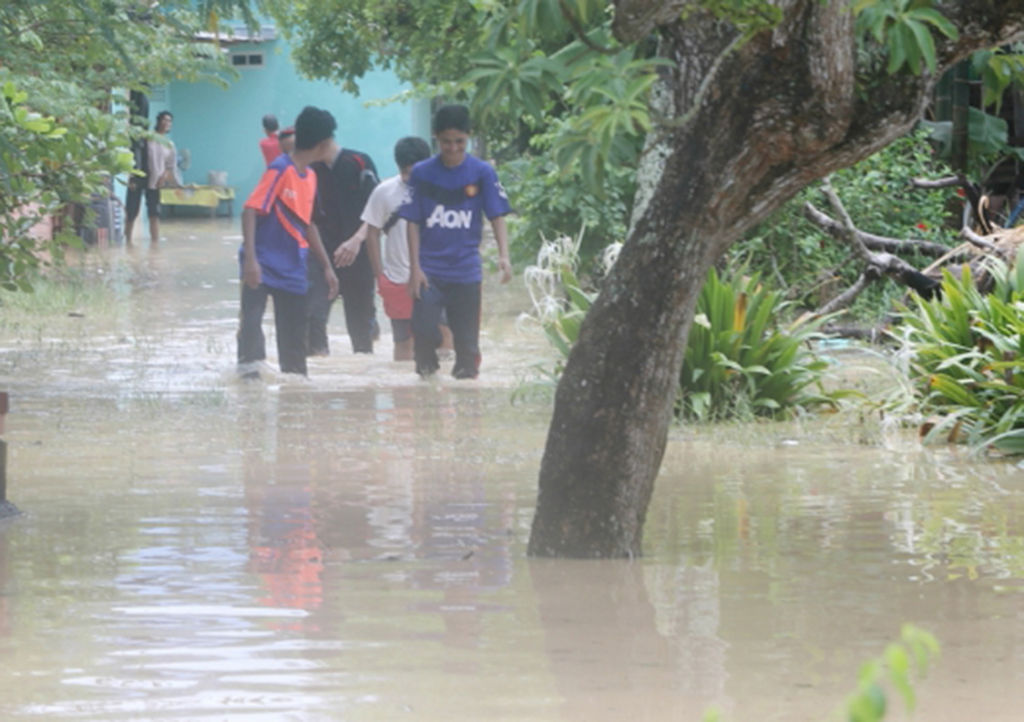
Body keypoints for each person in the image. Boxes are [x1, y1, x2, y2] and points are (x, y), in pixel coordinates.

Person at [400, 104, 512, 379]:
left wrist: (504, 256)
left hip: (466, 270)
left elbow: (497, 216)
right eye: (446, 142)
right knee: (424, 333)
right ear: (436, 138)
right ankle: (427, 399)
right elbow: (412, 222)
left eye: (459, 142)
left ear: (469, 138)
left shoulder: (483, 173)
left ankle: (468, 410)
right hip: (429, 270)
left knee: (467, 350)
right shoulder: (422, 173)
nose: (453, 148)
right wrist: (414, 268)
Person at [237, 106, 340, 378]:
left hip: (294, 268)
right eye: (333, 141)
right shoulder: (280, 169)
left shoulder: (311, 177)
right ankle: (248, 388)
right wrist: (251, 261)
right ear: (323, 144)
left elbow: (307, 224)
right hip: (261, 264)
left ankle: (293, 396)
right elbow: (250, 210)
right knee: (251, 325)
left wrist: (327, 267)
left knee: (295, 344)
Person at [360, 136, 453, 361]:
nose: (410, 179)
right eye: (405, 173)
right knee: (403, 344)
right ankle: (403, 393)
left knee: (445, 339)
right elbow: (372, 233)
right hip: (397, 280)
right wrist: (379, 276)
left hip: (436, 278)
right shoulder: (383, 192)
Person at [307, 135, 380, 355]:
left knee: (360, 334)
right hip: (322, 257)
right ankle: (317, 377)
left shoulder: (359, 163)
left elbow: (378, 213)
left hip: (358, 257)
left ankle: (362, 384)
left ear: (322, 141)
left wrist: (356, 240)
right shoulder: (310, 171)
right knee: (313, 320)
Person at [124, 110, 176, 245]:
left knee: (154, 213)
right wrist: (132, 176)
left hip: (156, 181)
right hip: (140, 177)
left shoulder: (169, 145)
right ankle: (128, 240)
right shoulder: (147, 137)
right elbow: (136, 155)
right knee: (132, 210)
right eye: (164, 120)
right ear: (158, 121)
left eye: (169, 121)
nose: (166, 123)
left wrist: (163, 177)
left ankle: (155, 243)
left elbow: (170, 165)